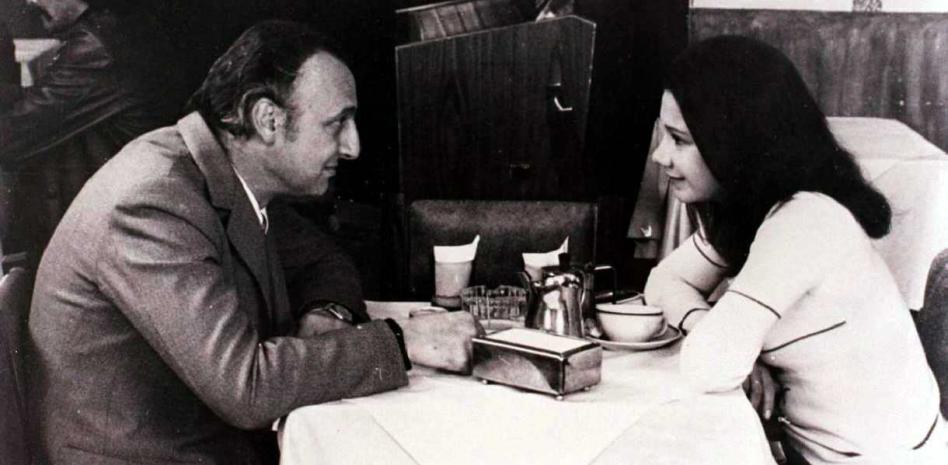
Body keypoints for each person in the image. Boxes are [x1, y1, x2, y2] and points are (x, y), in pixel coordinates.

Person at [28, 20, 481, 465]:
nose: (352, 147)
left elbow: (324, 261)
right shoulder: (153, 201)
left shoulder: (223, 177)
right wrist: (402, 342)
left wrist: (327, 313)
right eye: (336, 123)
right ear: (267, 119)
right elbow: (246, 388)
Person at [643, 36, 946, 465]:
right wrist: (721, 337)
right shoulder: (755, 207)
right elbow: (663, 281)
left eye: (679, 139)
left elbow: (708, 365)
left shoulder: (805, 221)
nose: (660, 155)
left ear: (736, 141)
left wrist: (729, 348)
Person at [0, 0, 184, 271]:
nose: (30, 0)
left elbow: (13, 137)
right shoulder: (117, 27)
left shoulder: (95, 45)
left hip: (117, 236)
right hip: (135, 222)